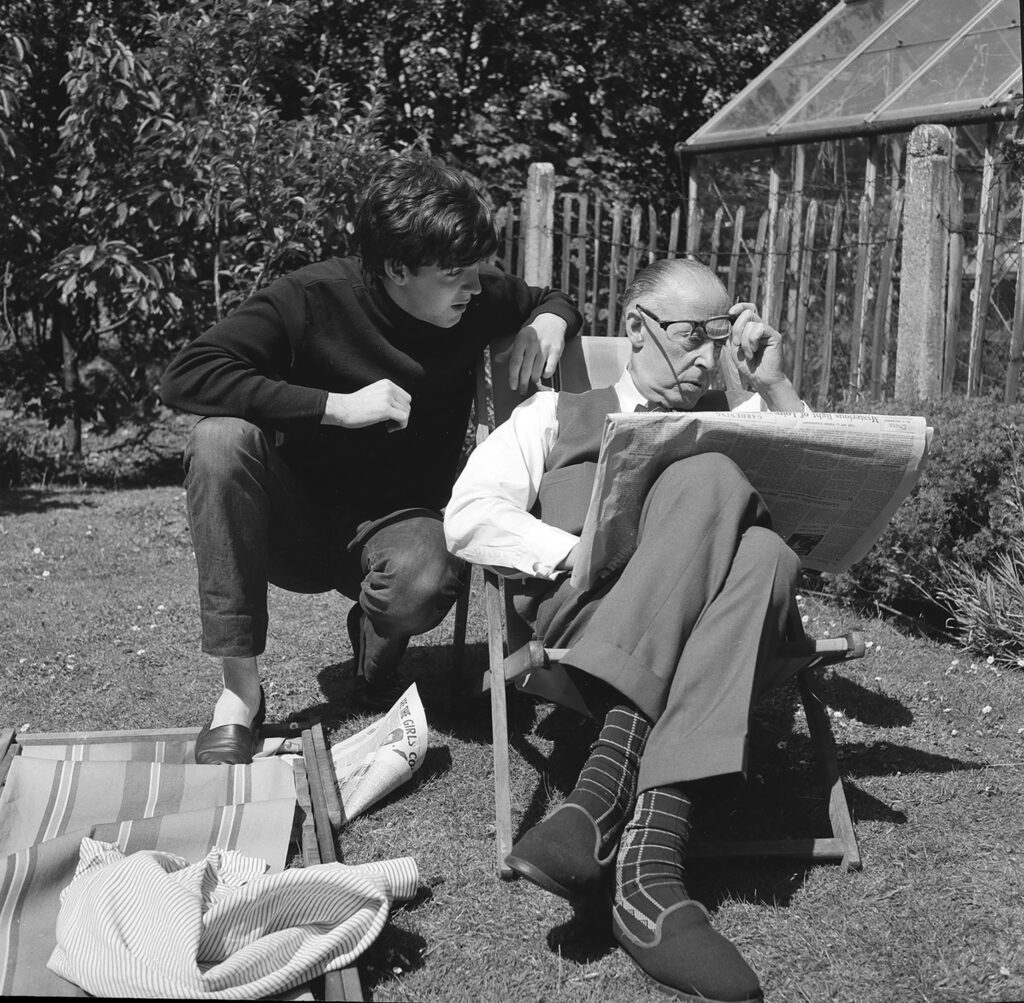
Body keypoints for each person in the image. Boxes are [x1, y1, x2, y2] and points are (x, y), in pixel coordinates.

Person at [444, 258, 808, 1003]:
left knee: (765, 545)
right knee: (710, 482)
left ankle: (611, 812)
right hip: (589, 617)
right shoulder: (553, 414)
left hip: (719, 628)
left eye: (720, 339)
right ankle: (650, 871)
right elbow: (470, 514)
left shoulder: (741, 420)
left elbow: (812, 493)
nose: (710, 358)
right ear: (638, 330)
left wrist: (770, 384)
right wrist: (577, 551)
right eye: (691, 337)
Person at [161, 152, 581, 766]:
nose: (476, 285)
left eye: (480, 269)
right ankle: (239, 695)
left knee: (425, 575)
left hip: (401, 520)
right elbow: (186, 376)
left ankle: (375, 642)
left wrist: (549, 318)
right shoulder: (310, 297)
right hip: (292, 519)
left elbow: (554, 297)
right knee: (220, 439)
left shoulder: (477, 297)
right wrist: (334, 405)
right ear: (395, 268)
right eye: (457, 273)